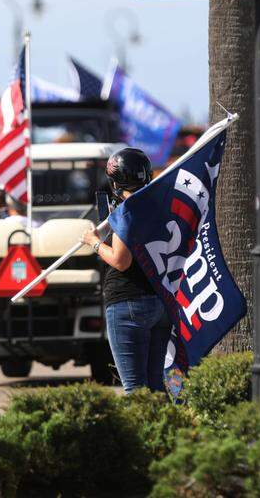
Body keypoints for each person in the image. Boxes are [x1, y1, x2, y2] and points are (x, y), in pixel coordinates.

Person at [80, 147, 171, 394]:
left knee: (134, 389)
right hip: (158, 301)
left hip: (127, 302)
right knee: (155, 387)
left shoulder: (126, 211)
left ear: (115, 181)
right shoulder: (158, 206)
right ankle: (162, 432)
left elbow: (121, 260)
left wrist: (94, 242)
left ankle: (144, 433)